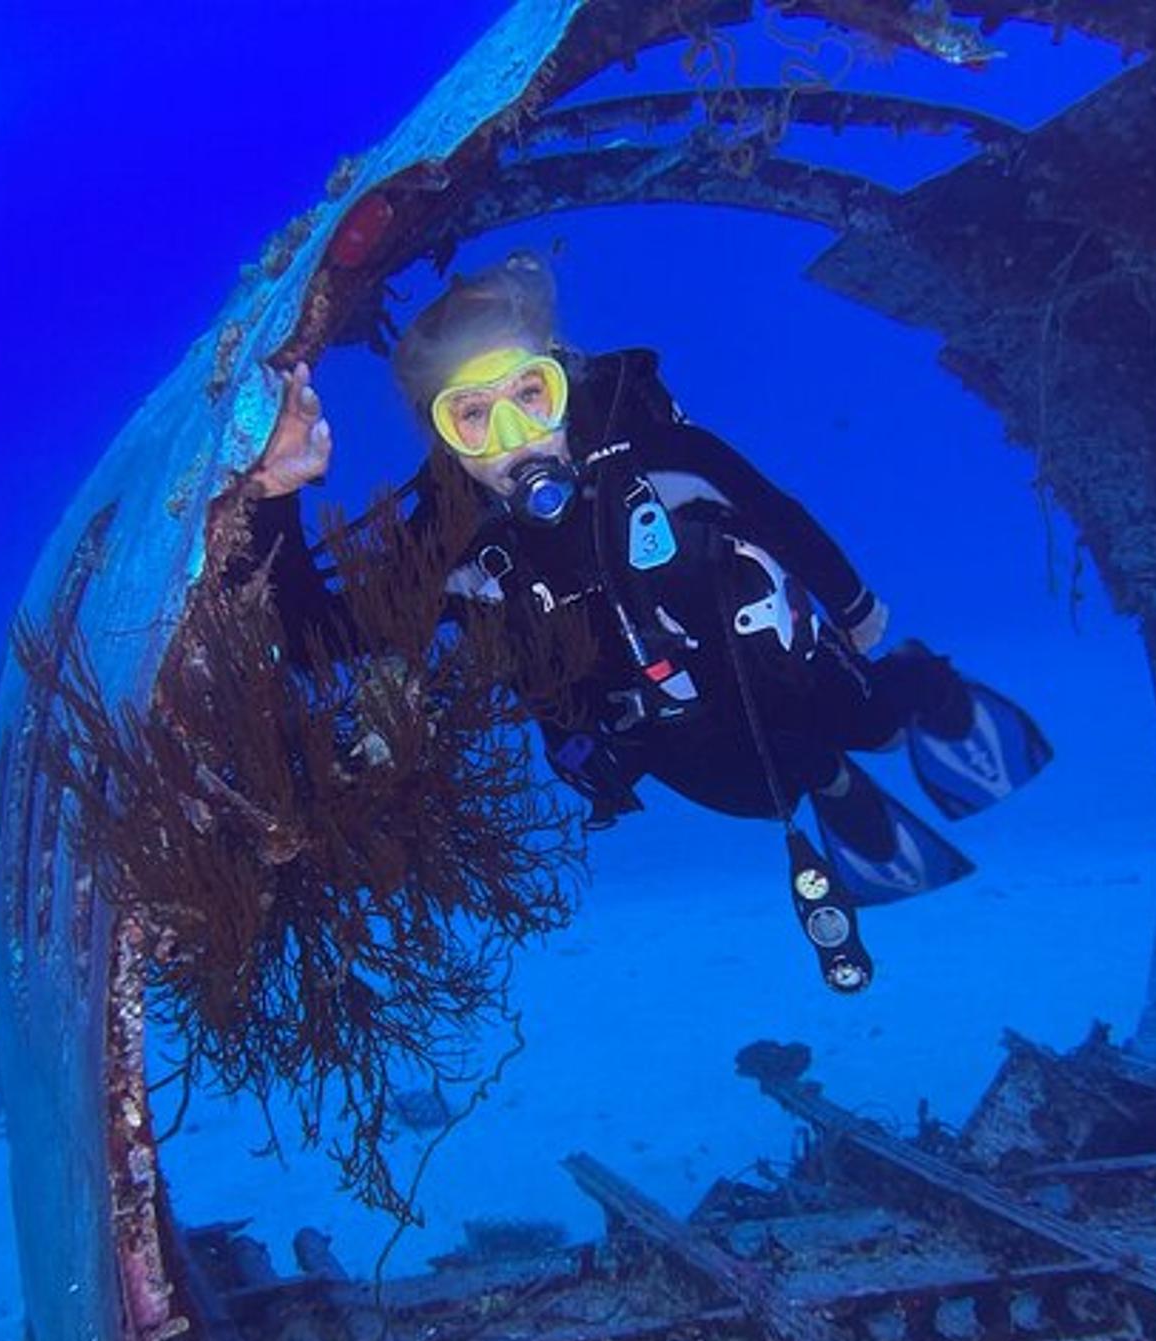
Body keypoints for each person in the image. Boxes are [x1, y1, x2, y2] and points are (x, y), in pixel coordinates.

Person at [242, 252, 1050, 991]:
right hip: (656, 731)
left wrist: (859, 613)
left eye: (531, 395)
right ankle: (830, 781)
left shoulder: (666, 459)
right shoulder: (451, 548)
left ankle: (921, 687)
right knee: (759, 797)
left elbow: (776, 514)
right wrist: (275, 495)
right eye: (474, 417)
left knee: (874, 722)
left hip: (777, 661)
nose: (517, 437)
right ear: (443, 439)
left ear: (563, 380)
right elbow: (313, 634)